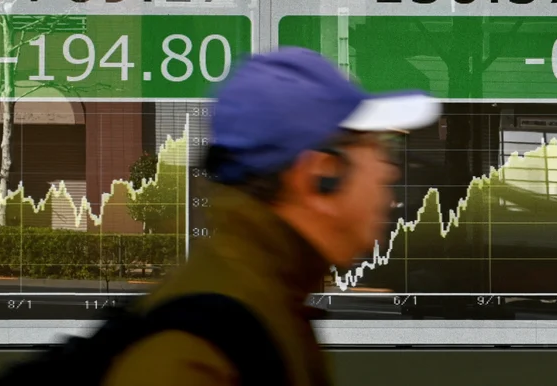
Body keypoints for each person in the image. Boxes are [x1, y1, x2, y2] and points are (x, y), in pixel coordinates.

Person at [100, 47, 440, 386]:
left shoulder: (267, 303)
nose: (389, 171)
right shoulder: (195, 356)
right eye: (379, 147)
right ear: (323, 174)